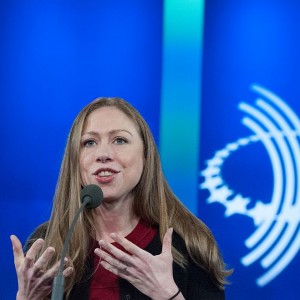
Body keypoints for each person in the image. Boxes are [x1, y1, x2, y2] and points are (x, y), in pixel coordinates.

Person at [11, 97, 232, 300]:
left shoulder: (189, 243)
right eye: (89, 142)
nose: (103, 153)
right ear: (75, 162)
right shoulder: (49, 245)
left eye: (119, 140)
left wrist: (168, 295)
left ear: (146, 156)